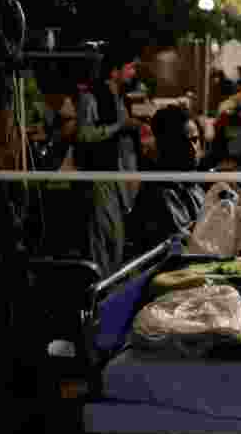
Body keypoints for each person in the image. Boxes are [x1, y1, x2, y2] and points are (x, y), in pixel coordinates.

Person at [75, 44, 143, 276]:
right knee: (104, 240)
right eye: (130, 67)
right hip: (101, 176)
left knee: (117, 240)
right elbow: (84, 134)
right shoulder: (91, 96)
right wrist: (119, 127)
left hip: (119, 180)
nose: (134, 73)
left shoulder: (120, 98)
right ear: (114, 71)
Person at [125, 105, 206, 254]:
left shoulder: (194, 186)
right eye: (183, 142)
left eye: (195, 140)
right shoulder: (158, 195)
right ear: (165, 145)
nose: (193, 149)